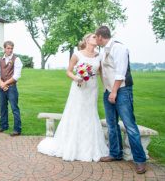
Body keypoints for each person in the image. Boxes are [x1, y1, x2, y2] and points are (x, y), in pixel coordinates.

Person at [37, 34, 108, 161]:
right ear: (87, 40)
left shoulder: (99, 56)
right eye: (93, 37)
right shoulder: (77, 54)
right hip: (79, 88)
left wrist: (106, 88)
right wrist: (77, 78)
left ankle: (89, 146)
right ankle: (71, 146)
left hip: (92, 88)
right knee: (77, 113)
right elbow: (68, 71)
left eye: (96, 37)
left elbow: (101, 73)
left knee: (90, 113)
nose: (96, 38)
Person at [95, 26, 146, 174]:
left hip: (121, 90)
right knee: (112, 124)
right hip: (108, 91)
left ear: (99, 36)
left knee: (130, 125)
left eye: (96, 36)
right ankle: (115, 153)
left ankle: (140, 160)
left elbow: (120, 73)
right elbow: (101, 69)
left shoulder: (119, 48)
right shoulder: (103, 50)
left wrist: (114, 91)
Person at [0, 41, 23, 136]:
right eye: (8, 48)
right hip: (2, 87)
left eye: (11, 48)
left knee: (14, 108)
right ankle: (3, 126)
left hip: (12, 87)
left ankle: (17, 129)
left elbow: (16, 76)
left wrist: (4, 84)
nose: (10, 50)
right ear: (4, 48)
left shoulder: (16, 59)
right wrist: (1, 83)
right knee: (3, 107)